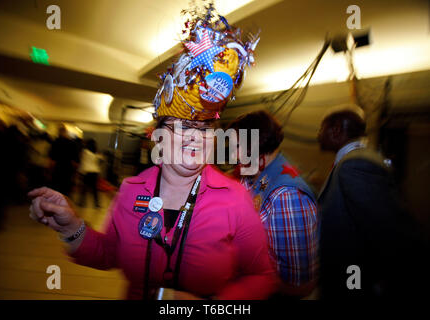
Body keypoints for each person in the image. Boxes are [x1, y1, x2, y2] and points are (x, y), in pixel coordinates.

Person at [29, 7, 279, 300]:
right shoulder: (130, 190)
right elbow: (109, 254)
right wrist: (72, 226)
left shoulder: (235, 198)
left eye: (205, 127)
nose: (196, 137)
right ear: (157, 136)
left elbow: (262, 276)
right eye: (183, 126)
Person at [317, 104, 428, 299]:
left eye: (321, 129)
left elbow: (387, 232)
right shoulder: (352, 162)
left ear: (336, 130)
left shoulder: (355, 164)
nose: (318, 135)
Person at [228, 110, 319, 298]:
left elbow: (298, 284)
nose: (233, 154)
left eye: (237, 146)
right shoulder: (255, 173)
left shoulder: (287, 196)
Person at [49, 125, 79, 196]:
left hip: (57, 167)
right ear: (66, 132)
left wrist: (50, 170)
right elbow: (75, 160)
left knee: (56, 187)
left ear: (58, 132)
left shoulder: (55, 142)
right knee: (66, 188)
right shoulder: (72, 143)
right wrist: (75, 172)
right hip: (68, 168)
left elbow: (52, 159)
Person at [78, 139, 102, 208]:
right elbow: (100, 162)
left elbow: (82, 163)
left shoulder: (84, 152)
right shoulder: (97, 153)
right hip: (95, 172)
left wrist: (80, 172)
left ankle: (81, 203)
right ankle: (97, 204)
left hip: (87, 172)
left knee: (84, 188)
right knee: (94, 189)